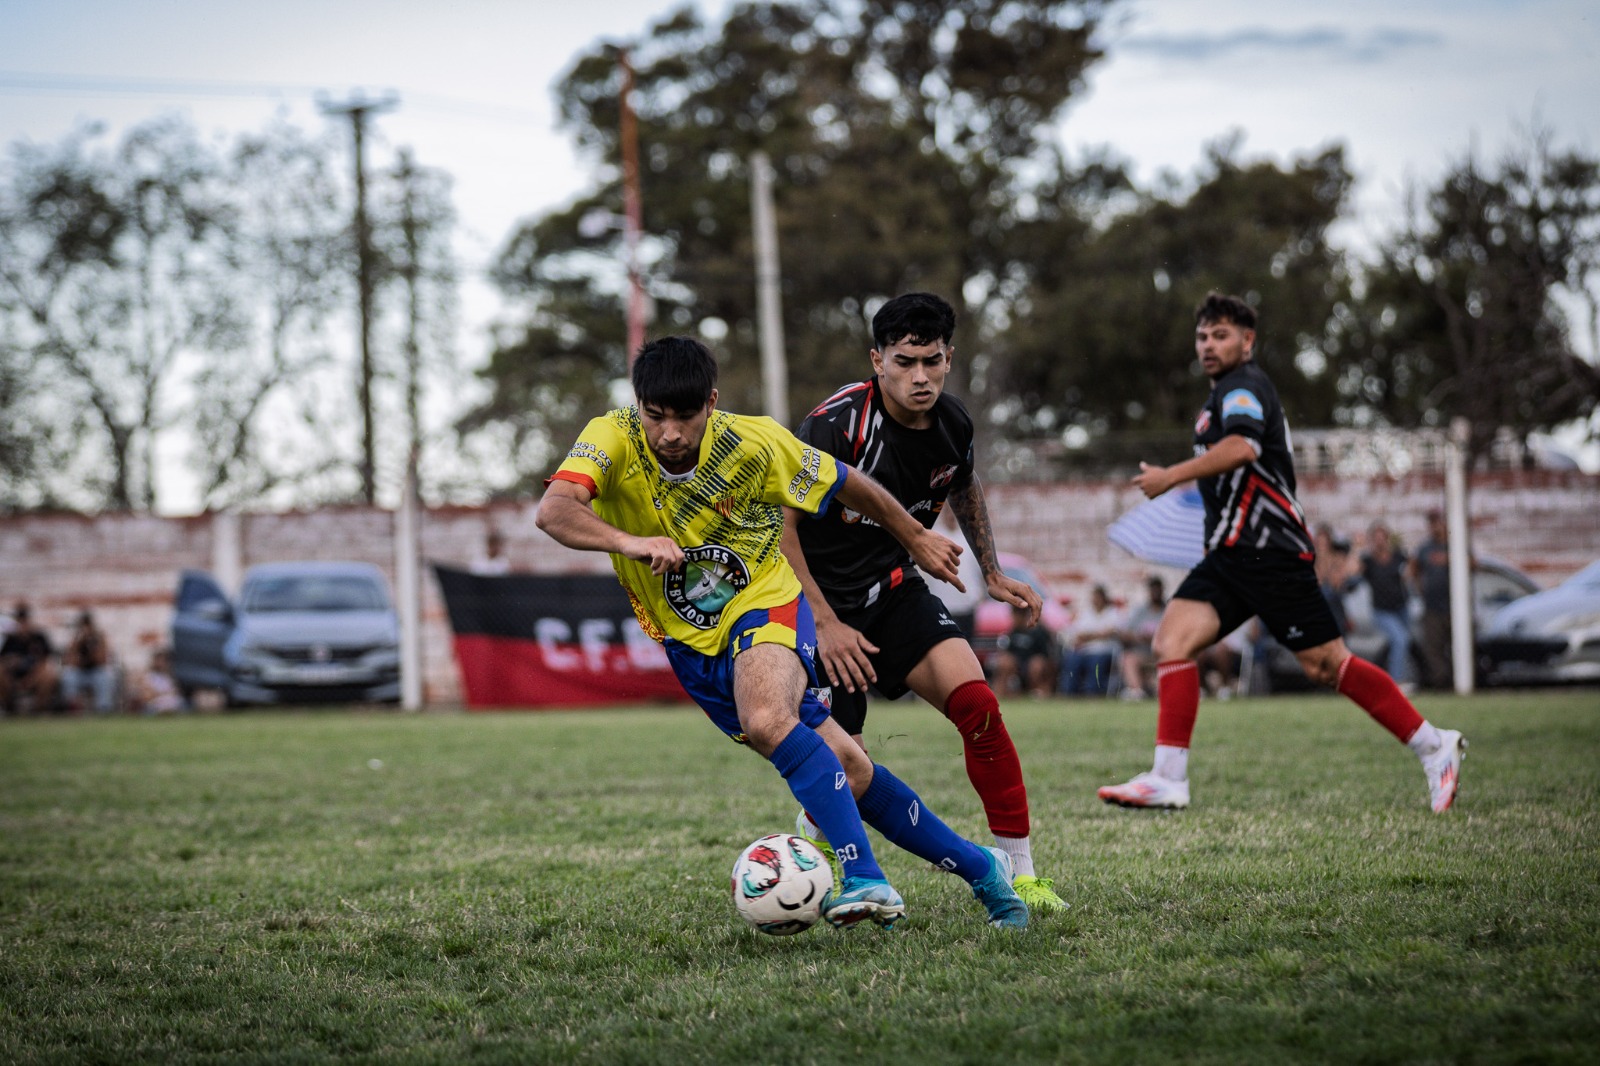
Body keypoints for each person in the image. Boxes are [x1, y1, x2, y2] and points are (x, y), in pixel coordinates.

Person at [535, 335, 1028, 930]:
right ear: (637, 406)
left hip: (766, 600)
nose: (669, 433)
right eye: (655, 416)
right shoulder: (610, 434)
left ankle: (865, 878)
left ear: (711, 403)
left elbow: (850, 483)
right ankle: (983, 869)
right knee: (850, 765)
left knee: (766, 717)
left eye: (685, 417)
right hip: (689, 641)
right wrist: (628, 541)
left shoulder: (755, 441)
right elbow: (555, 510)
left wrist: (916, 536)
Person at [1097, 293, 1466, 813]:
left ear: (1247, 342)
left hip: (1269, 552)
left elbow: (1245, 447)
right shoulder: (1219, 397)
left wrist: (1170, 477)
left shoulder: (1245, 386)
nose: (1209, 344)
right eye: (1202, 336)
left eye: (1221, 335)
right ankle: (1168, 777)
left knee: (1326, 664)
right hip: (1230, 555)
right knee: (1172, 640)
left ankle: (1434, 745)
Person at [779, 292, 1066, 914]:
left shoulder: (954, 423)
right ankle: (818, 847)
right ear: (876, 359)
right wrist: (824, 622)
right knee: (845, 763)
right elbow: (784, 528)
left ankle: (1020, 874)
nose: (920, 377)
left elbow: (962, 483)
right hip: (821, 607)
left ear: (948, 358)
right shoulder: (835, 425)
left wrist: (991, 570)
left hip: (894, 589)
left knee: (980, 707)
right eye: (904, 361)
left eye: (932, 362)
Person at [1361, 522, 1413, 689]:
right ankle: (1396, 682)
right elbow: (1351, 571)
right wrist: (1358, 547)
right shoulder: (1368, 561)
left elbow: (1410, 572)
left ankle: (1399, 677)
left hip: (1401, 608)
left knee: (1401, 644)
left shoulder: (1398, 556)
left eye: (1382, 537)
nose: (1379, 541)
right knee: (1400, 640)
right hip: (1381, 611)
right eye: (1375, 538)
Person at [1410, 509, 1453, 690]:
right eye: (1431, 523)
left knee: (1458, 647)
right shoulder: (1425, 548)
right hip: (1432, 607)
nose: (1434, 527)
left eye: (1438, 522)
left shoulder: (1456, 546)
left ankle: (1458, 681)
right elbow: (1413, 570)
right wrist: (1421, 590)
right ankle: (1441, 684)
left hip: (1455, 607)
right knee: (1433, 649)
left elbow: (1475, 564)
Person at [1059, 584, 1123, 696]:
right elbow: (1078, 634)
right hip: (1085, 650)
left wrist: (1089, 636)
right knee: (1072, 659)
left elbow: (1111, 632)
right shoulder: (1086, 614)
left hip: (1104, 651)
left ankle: (1092, 692)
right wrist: (1097, 634)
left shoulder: (1113, 613)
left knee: (1096, 661)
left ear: (1104, 598)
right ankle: (1069, 692)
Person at [990, 603, 1059, 698]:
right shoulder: (1013, 631)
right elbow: (1007, 652)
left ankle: (1038, 691)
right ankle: (1000, 692)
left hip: (1033, 665)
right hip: (1017, 663)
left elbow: (1047, 656)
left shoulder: (1038, 631)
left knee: (1036, 665)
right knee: (1004, 662)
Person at [0, 602, 58, 715]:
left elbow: (46, 661)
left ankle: (39, 710)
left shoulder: (39, 638)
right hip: (13, 678)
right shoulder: (11, 640)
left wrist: (30, 680)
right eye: (20, 622)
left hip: (34, 675)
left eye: (25, 621)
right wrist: (11, 662)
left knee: (48, 676)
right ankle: (9, 708)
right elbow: (2, 661)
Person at [1117, 576, 1167, 699]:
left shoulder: (1169, 610)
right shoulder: (1140, 611)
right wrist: (1139, 637)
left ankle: (1162, 689)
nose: (1155, 593)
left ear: (1162, 591)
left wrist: (1156, 638)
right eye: (1153, 590)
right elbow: (1126, 632)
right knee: (1127, 659)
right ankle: (1137, 691)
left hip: (1163, 653)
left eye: (1157, 589)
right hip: (1143, 651)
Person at [60, 609, 118, 714]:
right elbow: (71, 662)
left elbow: (102, 661)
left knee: (105, 677)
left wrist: (93, 647)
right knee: (68, 676)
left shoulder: (99, 638)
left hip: (95, 672)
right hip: (80, 673)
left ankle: (103, 708)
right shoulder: (76, 640)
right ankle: (71, 707)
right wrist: (79, 643)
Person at [135, 648, 186, 715]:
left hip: (171, 701)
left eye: (164, 661)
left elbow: (175, 692)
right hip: (155, 703)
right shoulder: (148, 676)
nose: (161, 663)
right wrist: (162, 693)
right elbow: (147, 695)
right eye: (159, 660)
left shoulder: (169, 676)